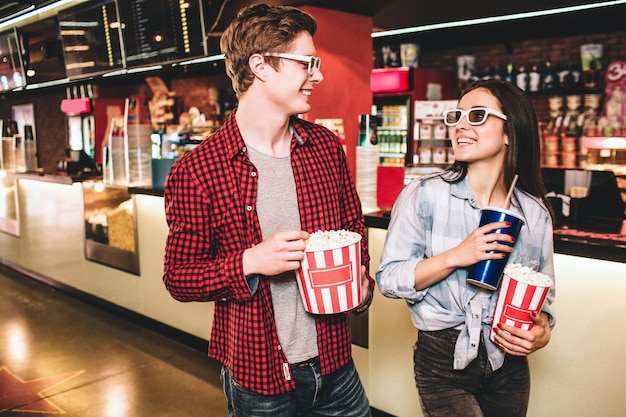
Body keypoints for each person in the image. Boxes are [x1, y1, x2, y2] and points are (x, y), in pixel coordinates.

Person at [162, 4, 374, 417]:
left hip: (335, 365)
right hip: (259, 377)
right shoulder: (198, 170)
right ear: (260, 66)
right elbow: (179, 278)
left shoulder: (325, 149)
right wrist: (250, 261)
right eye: (307, 63)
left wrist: (361, 287)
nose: (318, 74)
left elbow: (354, 229)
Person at [376, 79, 556, 417]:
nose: (460, 125)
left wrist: (541, 331)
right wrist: (459, 255)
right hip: (443, 362)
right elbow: (388, 278)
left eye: (476, 115)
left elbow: (543, 298)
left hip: (509, 363)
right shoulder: (424, 195)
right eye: (457, 116)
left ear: (509, 132)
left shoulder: (535, 215)